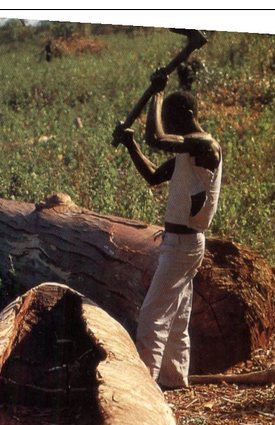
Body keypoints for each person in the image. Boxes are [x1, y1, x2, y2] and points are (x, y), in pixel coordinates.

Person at [113, 69, 222, 389]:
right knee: (176, 316)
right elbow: (153, 176)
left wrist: (157, 93)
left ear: (188, 115)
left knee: (152, 316)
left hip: (183, 244)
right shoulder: (188, 152)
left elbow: (156, 138)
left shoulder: (205, 145)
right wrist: (132, 145)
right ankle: (175, 378)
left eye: (173, 119)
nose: (170, 127)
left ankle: (144, 387)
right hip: (180, 243)